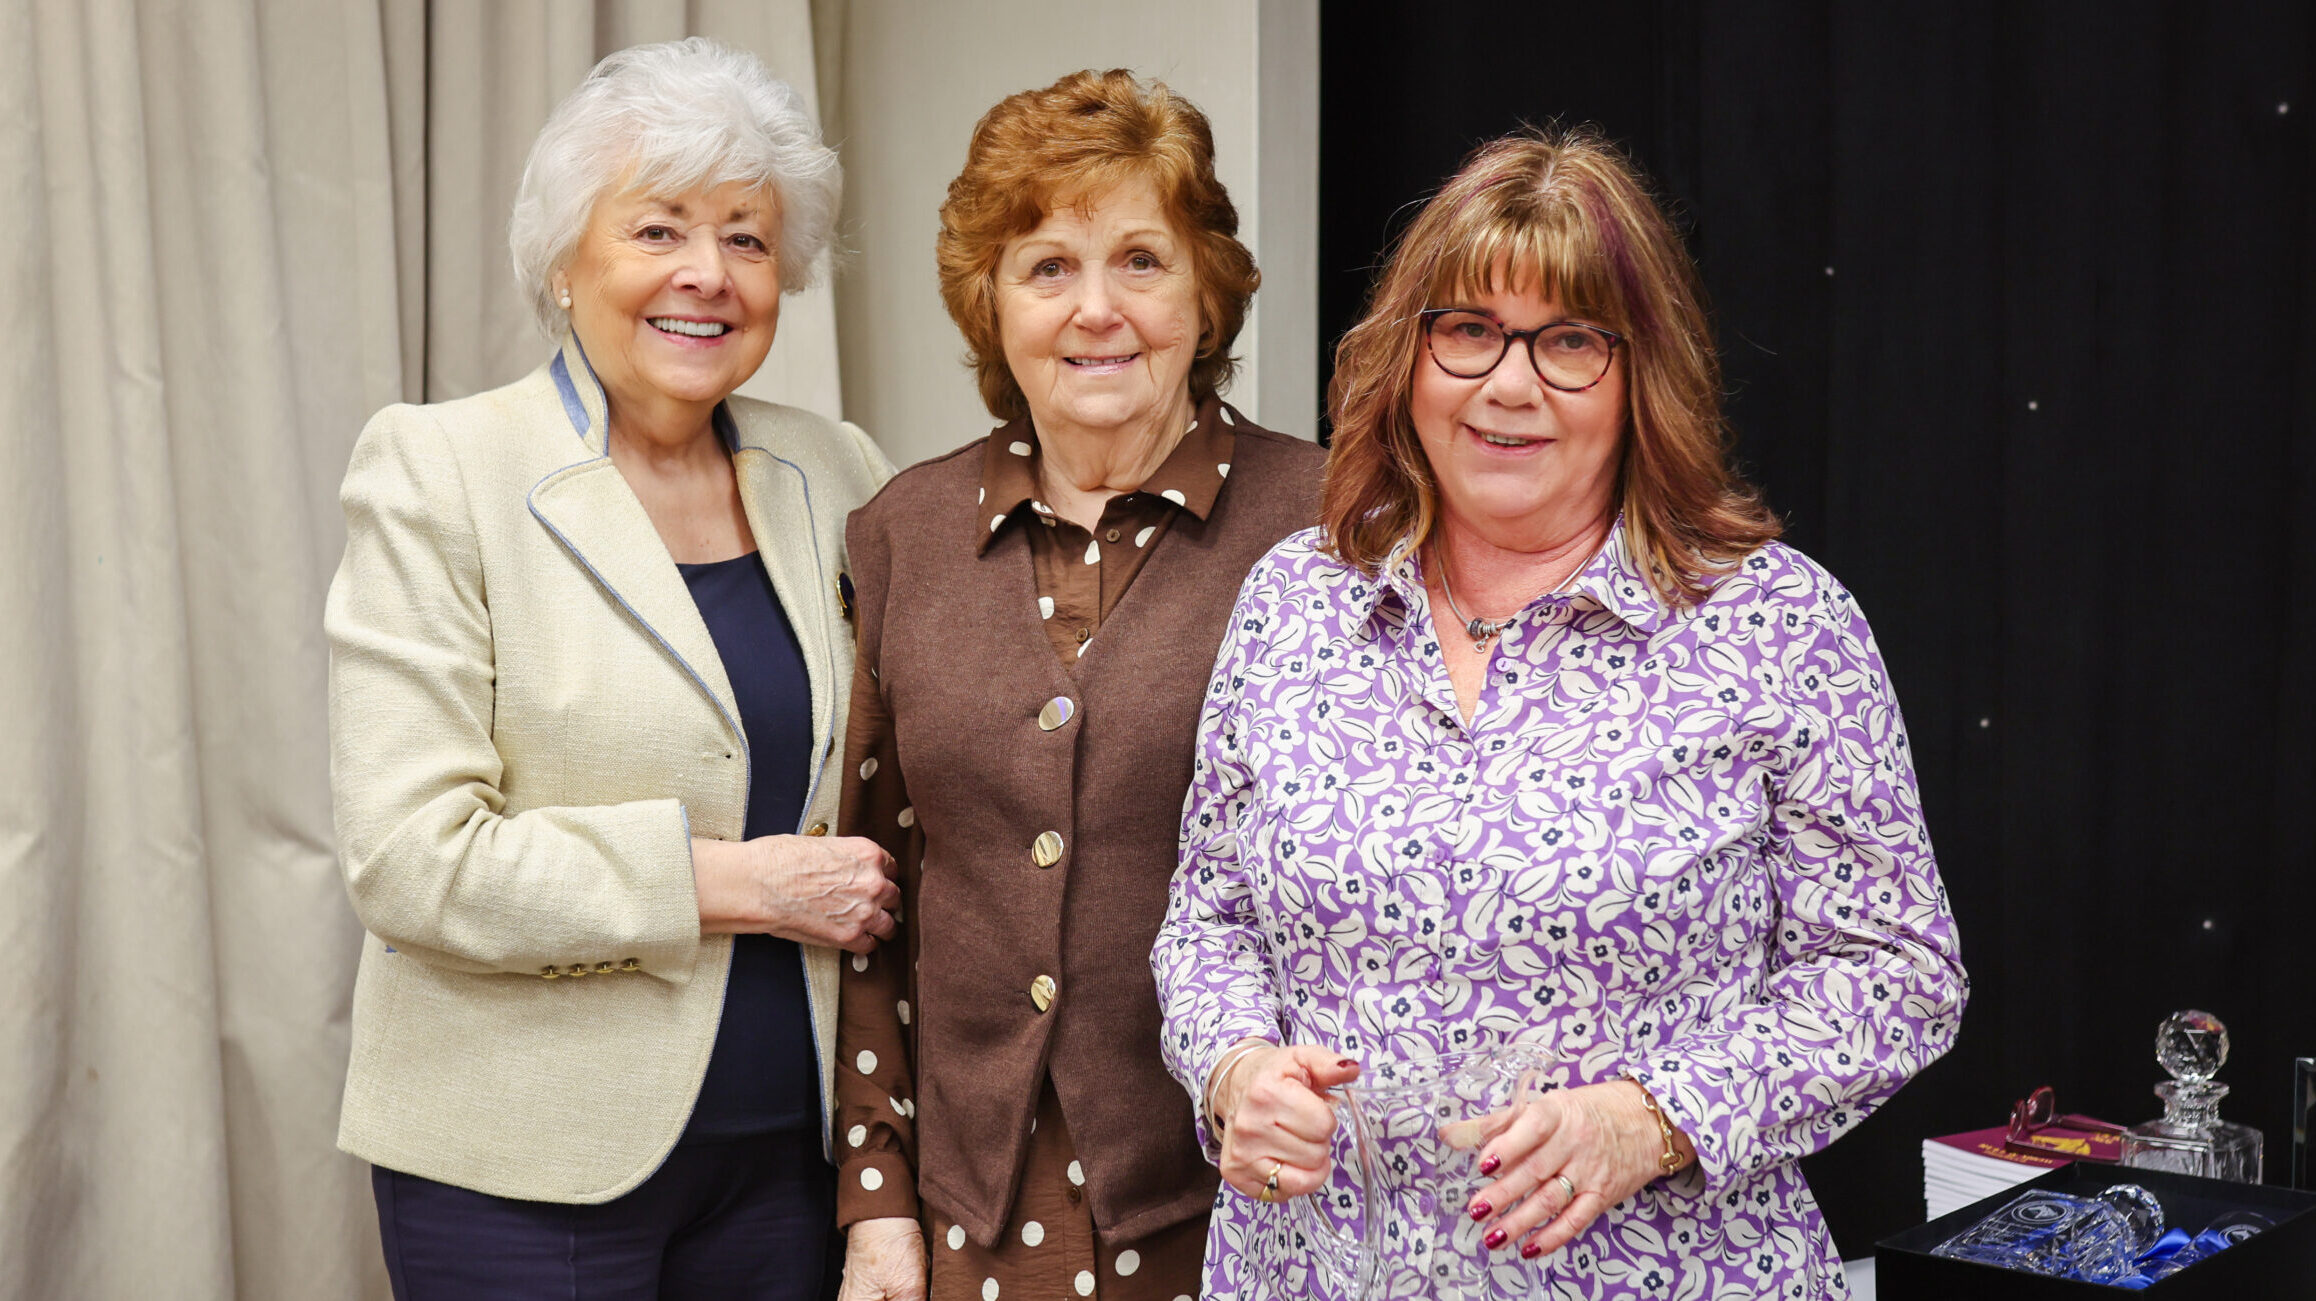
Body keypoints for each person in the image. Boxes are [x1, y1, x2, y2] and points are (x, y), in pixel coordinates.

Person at [1153, 127, 1969, 1298]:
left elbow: (1895, 971)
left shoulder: (1778, 623)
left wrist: (1657, 1117)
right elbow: (1207, 920)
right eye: (1469, 331)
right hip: (1311, 1272)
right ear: (1409, 356)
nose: (1510, 383)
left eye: (1570, 340)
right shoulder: (1296, 599)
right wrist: (1233, 1067)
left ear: (1645, 374)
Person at [327, 38, 899, 1299]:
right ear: (566, 257)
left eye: (747, 240)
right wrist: (736, 883)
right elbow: (411, 857)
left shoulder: (840, 469)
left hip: (788, 1168)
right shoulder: (441, 468)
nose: (706, 275)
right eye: (658, 229)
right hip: (520, 1168)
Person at [830, 70, 1327, 1301]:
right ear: (988, 304)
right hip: (976, 1222)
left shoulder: (1329, 522)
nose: (1096, 310)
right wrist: (877, 1202)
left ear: (1208, 290)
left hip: (1250, 1206)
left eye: (1141, 261)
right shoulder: (906, 532)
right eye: (1047, 266)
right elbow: (879, 894)